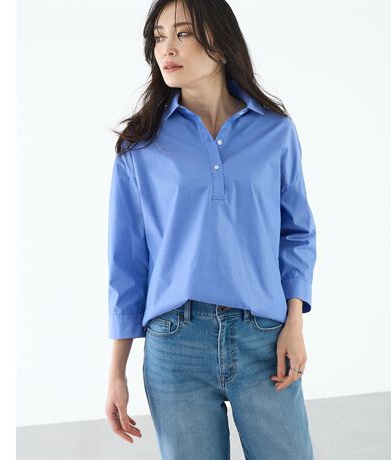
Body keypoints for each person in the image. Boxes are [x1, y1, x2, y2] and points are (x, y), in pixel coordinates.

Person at [105, 0, 317, 458]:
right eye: (159, 37)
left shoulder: (275, 132)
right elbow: (127, 263)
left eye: (182, 34)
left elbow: (297, 233)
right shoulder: (140, 145)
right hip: (175, 345)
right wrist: (117, 371)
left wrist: (294, 322)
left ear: (219, 44)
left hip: (264, 338)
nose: (167, 48)